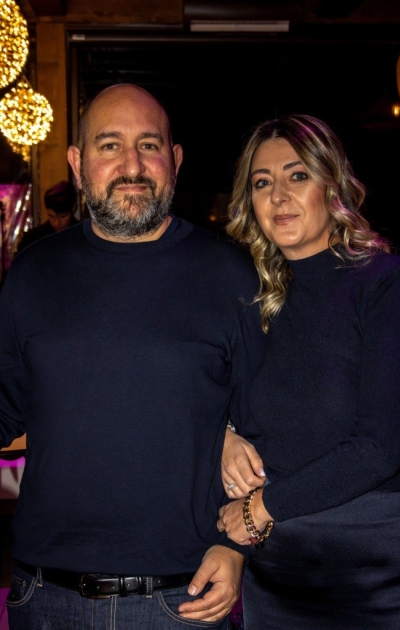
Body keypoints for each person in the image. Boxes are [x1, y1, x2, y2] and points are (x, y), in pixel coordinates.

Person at [0, 84, 266, 629]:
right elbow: (5, 408)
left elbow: (274, 425)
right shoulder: (32, 274)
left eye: (149, 145)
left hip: (185, 598)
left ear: (176, 160)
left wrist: (238, 545)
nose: (132, 166)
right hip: (44, 597)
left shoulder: (230, 275)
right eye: (109, 145)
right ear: (77, 165)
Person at [216, 114, 400, 629]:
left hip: (379, 574)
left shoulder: (388, 285)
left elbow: (380, 447)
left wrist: (262, 508)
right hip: (277, 572)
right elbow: (217, 399)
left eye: (298, 175)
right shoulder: (258, 302)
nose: (279, 196)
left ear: (332, 186)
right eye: (262, 183)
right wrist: (225, 435)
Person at [17, 180, 78, 252]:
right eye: (51, 216)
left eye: (63, 217)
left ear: (73, 208)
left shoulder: (82, 235)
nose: (56, 223)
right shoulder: (33, 239)